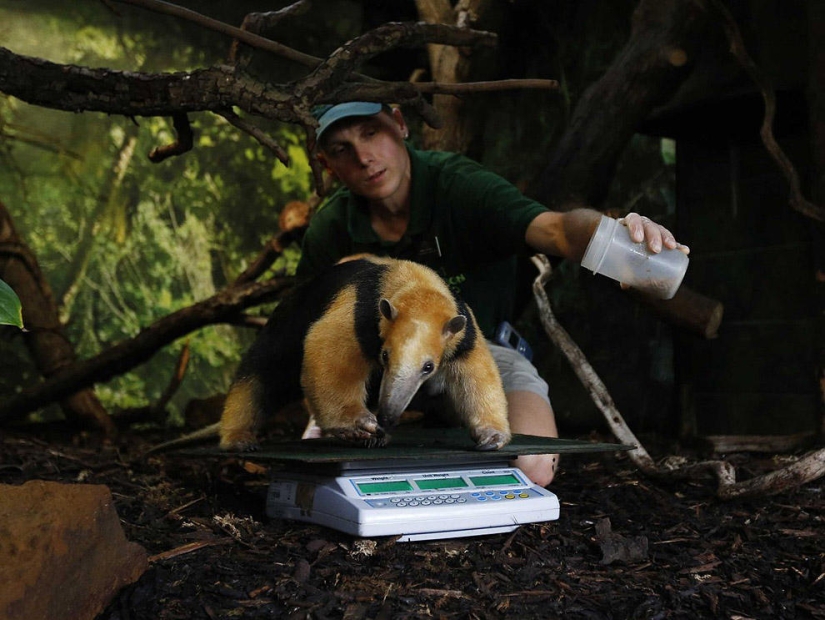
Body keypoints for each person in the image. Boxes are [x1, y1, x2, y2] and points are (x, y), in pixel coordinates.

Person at [296, 102, 688, 486]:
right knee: (324, 468)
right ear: (325, 163)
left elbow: (557, 230)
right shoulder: (330, 229)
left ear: (399, 123)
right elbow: (309, 339)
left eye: (370, 133)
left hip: (479, 353)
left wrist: (616, 233)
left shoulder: (461, 186)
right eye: (340, 149)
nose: (364, 158)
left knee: (535, 467)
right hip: (376, 363)